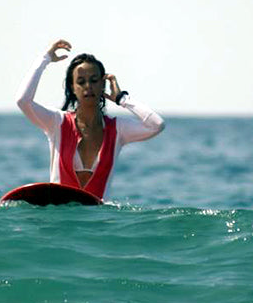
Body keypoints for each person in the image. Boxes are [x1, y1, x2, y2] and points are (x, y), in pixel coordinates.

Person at [16, 39, 165, 199]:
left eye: (94, 81)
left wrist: (123, 99)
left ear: (103, 84)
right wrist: (45, 59)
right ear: (72, 88)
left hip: (98, 220)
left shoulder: (118, 129)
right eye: (81, 82)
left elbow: (157, 125)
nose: (88, 86)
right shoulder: (56, 123)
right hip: (59, 219)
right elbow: (23, 101)